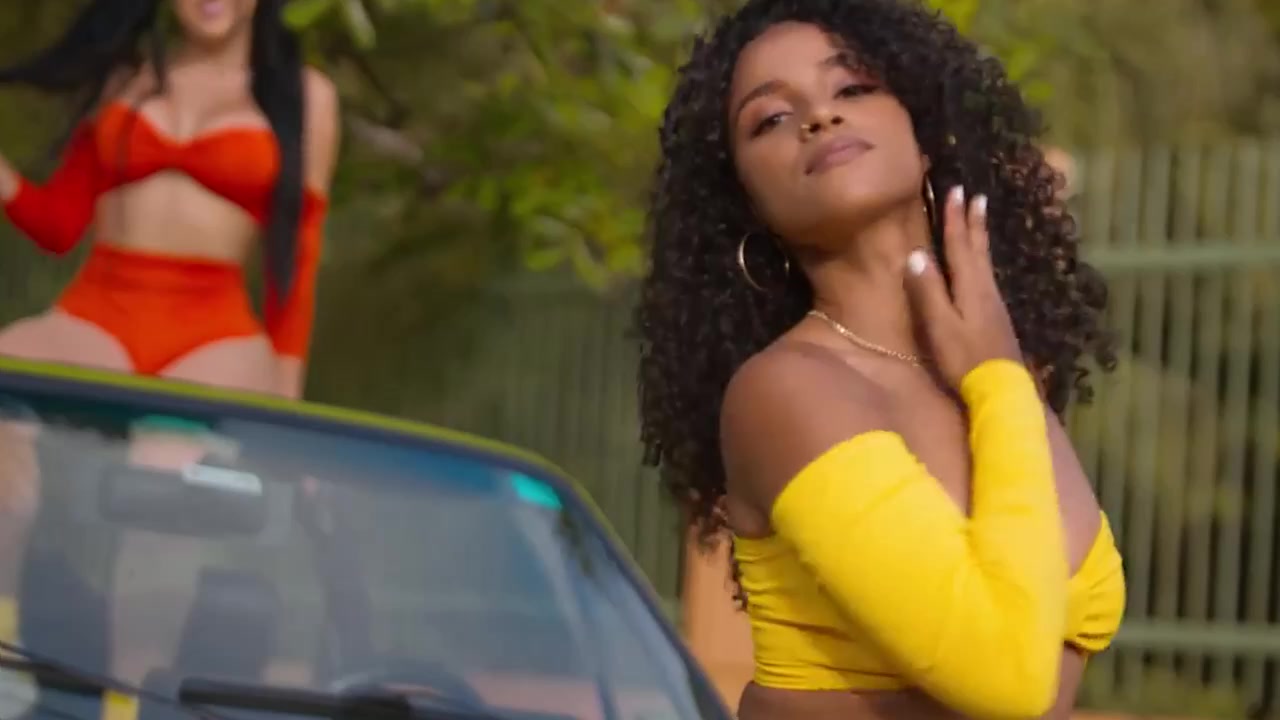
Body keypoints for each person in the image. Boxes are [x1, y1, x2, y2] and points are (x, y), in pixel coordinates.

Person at [635, 1, 1126, 718]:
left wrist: (997, 376)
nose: (819, 117)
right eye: (771, 119)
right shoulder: (786, 391)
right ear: (746, 202)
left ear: (925, 136)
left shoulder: (993, 371)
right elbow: (1011, 682)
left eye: (853, 86)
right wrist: (998, 381)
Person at [0, 0, 340, 399]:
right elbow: (58, 225)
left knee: (167, 436)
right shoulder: (121, 80)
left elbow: (299, 255)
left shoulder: (305, 97)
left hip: (215, 337)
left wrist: (287, 386)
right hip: (94, 315)